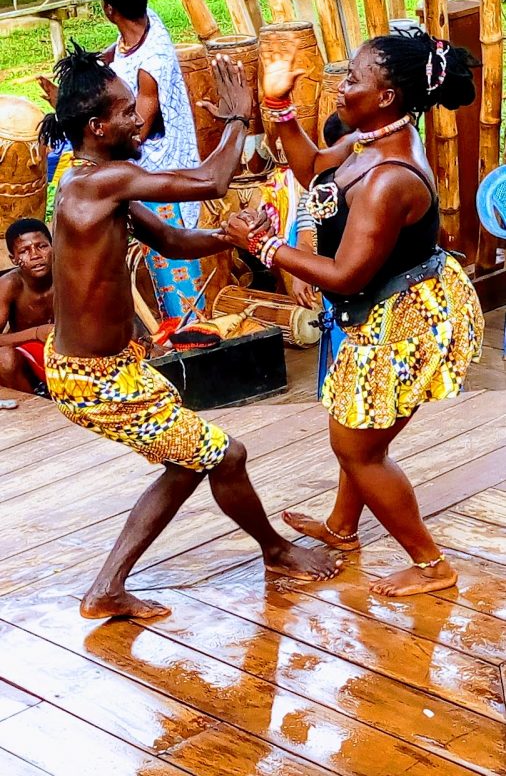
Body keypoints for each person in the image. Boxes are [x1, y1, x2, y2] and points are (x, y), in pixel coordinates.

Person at [38, 44, 340, 620]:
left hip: (106, 369)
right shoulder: (95, 184)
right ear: (97, 127)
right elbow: (210, 179)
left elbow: (174, 242)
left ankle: (107, 589)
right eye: (128, 111)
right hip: (95, 380)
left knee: (194, 458)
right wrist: (233, 119)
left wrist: (232, 240)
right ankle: (275, 550)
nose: (139, 118)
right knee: (226, 456)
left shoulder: (100, 183)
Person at [223, 29, 484, 597]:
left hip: (408, 316)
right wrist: (278, 106)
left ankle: (431, 566)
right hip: (387, 303)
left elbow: (345, 275)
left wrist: (264, 248)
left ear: (387, 96)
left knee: (356, 445)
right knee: (358, 430)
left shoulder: (389, 179)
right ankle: (343, 528)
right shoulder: (371, 139)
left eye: (354, 79)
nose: (342, 87)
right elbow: (314, 169)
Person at [100, 0, 203, 330]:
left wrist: (101, 151)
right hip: (149, 168)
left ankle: (192, 335)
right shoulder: (146, 22)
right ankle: (179, 331)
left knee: (173, 260)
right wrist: (99, 63)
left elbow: (138, 129)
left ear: (108, 8)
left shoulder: (152, 64)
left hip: (161, 169)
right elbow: (120, 48)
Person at [0, 219, 53, 393]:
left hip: (68, 351)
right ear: (13, 259)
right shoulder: (9, 285)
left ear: (54, 248)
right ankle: (35, 405)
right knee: (5, 359)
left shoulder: (68, 276)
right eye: (24, 251)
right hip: (28, 357)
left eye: (42, 246)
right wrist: (37, 333)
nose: (35, 255)